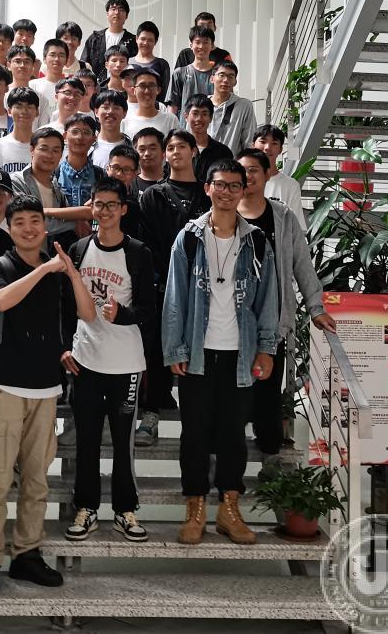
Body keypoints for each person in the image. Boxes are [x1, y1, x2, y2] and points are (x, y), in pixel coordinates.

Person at [0, 196, 95, 598]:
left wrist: (71, 272)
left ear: (45, 227)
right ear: (9, 229)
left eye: (35, 221)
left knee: (37, 480)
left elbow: (85, 314)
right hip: (3, 385)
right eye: (20, 222)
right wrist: (44, 268)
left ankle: (27, 553)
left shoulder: (59, 270)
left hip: (45, 387)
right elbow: (1, 301)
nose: (28, 228)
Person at [163, 160, 278, 545]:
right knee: (194, 433)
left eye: (234, 185)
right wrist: (175, 348)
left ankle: (230, 508)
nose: (227, 191)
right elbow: (175, 297)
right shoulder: (189, 238)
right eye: (220, 184)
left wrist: (266, 348)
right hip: (198, 353)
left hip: (240, 355)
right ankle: (195, 507)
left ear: (243, 190)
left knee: (233, 434)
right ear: (207, 189)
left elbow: (268, 299)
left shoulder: (257, 242)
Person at [64, 177, 154, 544]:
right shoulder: (79, 249)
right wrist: (64, 347)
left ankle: (125, 510)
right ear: (91, 208)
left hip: (125, 363)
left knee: (122, 442)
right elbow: (65, 304)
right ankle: (86, 508)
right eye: (98, 204)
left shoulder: (138, 252)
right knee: (86, 440)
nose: (104, 211)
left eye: (111, 205)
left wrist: (123, 315)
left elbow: (149, 309)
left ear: (123, 209)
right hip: (85, 360)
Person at [235, 149, 332, 462]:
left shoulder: (283, 217)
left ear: (267, 175)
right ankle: (228, 450)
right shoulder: (225, 213)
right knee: (232, 388)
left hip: (272, 316)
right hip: (231, 317)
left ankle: (268, 449)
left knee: (267, 386)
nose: (247, 176)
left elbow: (302, 264)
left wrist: (316, 308)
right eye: (242, 170)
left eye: (254, 170)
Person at [136, 129, 210, 446]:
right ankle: (151, 413)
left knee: (201, 349)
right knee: (157, 348)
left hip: (205, 285)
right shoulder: (153, 195)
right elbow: (146, 242)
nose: (175, 151)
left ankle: (200, 423)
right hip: (163, 284)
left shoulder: (208, 193)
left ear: (194, 151)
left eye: (182, 146)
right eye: (170, 147)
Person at [10, 127, 91, 251]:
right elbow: (30, 222)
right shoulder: (17, 181)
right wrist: (74, 223)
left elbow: (65, 214)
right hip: (22, 254)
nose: (49, 155)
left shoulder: (55, 185)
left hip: (46, 255)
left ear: (61, 155)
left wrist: (78, 219)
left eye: (55, 150)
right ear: (32, 150)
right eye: (44, 149)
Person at [253, 124, 307, 229]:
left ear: (280, 149)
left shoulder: (290, 185)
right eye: (263, 142)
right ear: (253, 145)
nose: (268, 147)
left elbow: (297, 227)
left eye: (274, 143)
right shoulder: (242, 181)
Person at [81, 0, 137, 86]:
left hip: (124, 88)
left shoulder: (133, 41)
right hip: (98, 88)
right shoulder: (95, 38)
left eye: (121, 9)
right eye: (113, 9)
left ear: (126, 16)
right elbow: (85, 64)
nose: (117, 12)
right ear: (107, 13)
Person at [0, 88, 39, 175]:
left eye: (29, 107)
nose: (24, 111)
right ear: (9, 111)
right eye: (18, 107)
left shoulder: (43, 147)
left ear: (37, 112)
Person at [57, 115, 98, 231]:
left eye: (86, 132)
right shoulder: (54, 174)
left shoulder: (100, 175)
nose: (80, 137)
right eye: (75, 132)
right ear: (65, 136)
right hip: (59, 237)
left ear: (94, 139)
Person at [209, 60, 257, 153]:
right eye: (221, 75)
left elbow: (249, 140)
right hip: (204, 161)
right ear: (212, 78)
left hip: (232, 161)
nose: (226, 80)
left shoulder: (244, 106)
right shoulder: (202, 105)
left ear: (235, 82)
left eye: (231, 76)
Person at [183, 95, 234, 182]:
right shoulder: (179, 149)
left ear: (211, 118)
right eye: (195, 113)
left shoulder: (223, 152)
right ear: (186, 116)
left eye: (204, 114)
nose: (199, 119)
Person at [168, 26, 217, 115]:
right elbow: (173, 105)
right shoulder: (179, 73)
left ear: (212, 46)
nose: (201, 46)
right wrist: (171, 123)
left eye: (206, 42)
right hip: (185, 123)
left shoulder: (218, 75)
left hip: (212, 123)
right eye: (197, 42)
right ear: (191, 46)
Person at [122, 68, 177, 141]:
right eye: (142, 86)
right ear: (134, 90)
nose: (147, 91)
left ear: (158, 90)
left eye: (151, 85)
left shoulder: (170, 120)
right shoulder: (125, 122)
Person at [104, 144, 146, 237]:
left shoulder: (130, 205)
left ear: (135, 174)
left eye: (126, 170)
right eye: (115, 167)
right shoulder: (96, 193)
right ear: (107, 169)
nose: (119, 174)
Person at [8, 45, 51, 127]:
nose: (22, 65)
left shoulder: (41, 98)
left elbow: (43, 129)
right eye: (17, 61)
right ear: (9, 65)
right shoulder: (1, 95)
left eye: (27, 62)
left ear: (33, 66)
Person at [90, 90, 131, 169]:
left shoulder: (132, 146)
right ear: (96, 112)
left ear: (124, 113)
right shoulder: (87, 146)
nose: (110, 111)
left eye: (116, 108)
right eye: (105, 107)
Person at [130, 21, 172, 92]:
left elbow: (163, 92)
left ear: (155, 42)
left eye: (150, 40)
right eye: (143, 39)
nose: (145, 43)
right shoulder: (128, 63)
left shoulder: (162, 64)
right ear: (137, 39)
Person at [30, 38, 69, 104]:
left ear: (66, 60)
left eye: (61, 55)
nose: (56, 59)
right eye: (52, 55)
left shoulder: (71, 87)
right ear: (44, 59)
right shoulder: (33, 85)